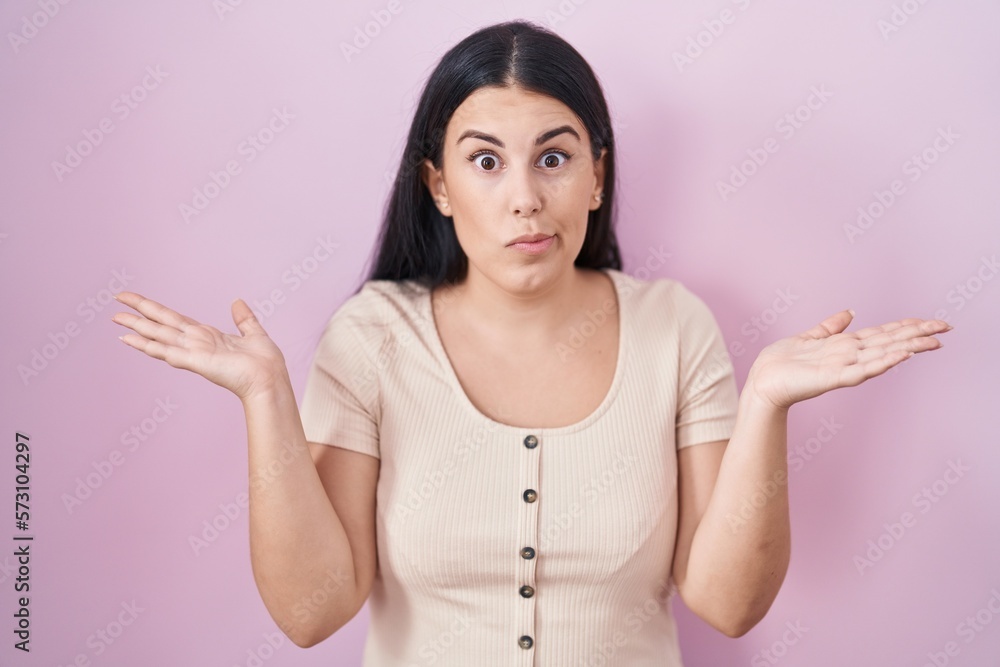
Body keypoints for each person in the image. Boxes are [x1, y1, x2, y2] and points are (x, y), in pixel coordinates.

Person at [110, 19, 952, 666]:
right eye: (485, 162)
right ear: (437, 185)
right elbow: (312, 610)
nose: (523, 197)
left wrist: (767, 400)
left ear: (596, 174)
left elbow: (727, 604)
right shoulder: (373, 336)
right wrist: (265, 400)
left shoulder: (674, 325)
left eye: (553, 159)